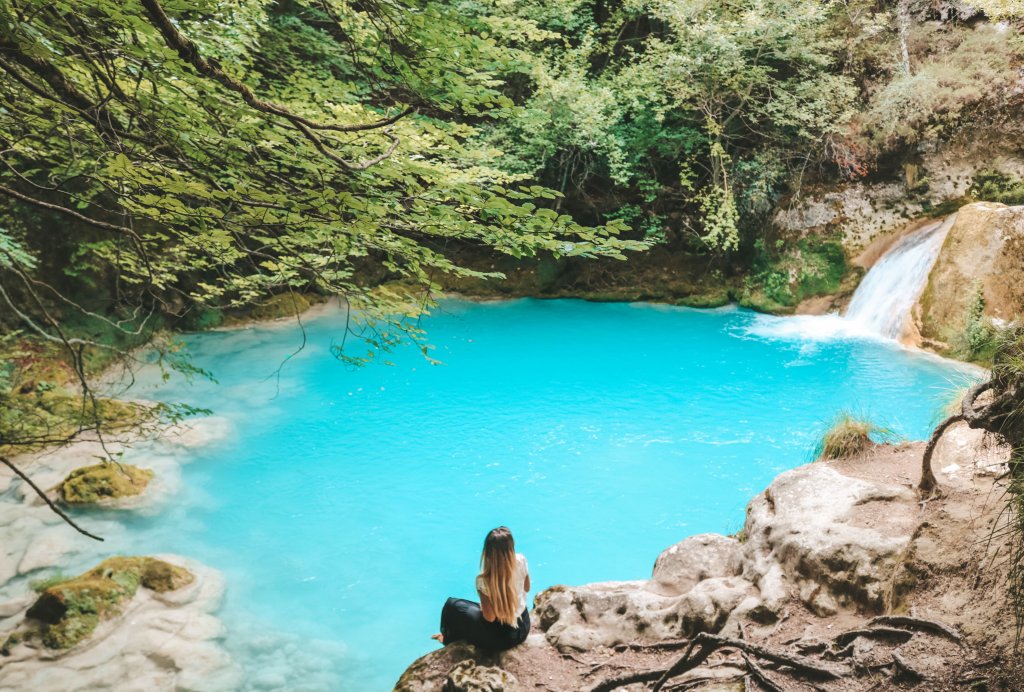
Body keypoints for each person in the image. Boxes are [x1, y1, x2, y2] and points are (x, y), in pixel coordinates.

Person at [431, 526, 531, 651]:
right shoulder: (521, 560)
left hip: (503, 639)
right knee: (471, 608)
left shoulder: (483, 580)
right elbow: (527, 588)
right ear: (511, 546)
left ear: (487, 552)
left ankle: (447, 639)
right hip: (524, 627)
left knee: (452, 605)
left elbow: (490, 617)